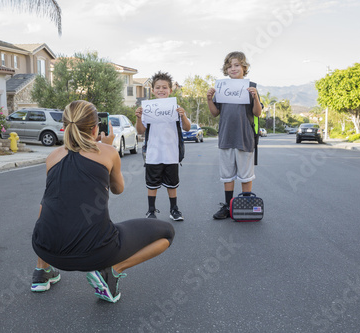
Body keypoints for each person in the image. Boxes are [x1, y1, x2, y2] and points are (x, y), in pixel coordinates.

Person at [30, 100, 175, 303]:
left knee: (49, 203)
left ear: (65, 126)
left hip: (45, 247)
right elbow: (118, 189)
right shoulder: (107, 152)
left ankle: (41, 272)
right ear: (95, 128)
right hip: (95, 253)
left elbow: (48, 204)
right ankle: (112, 272)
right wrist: (106, 148)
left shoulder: (53, 157)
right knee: (167, 233)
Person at [207, 51, 263, 219]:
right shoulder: (222, 88)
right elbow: (215, 113)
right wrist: (209, 99)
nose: (233, 68)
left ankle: (245, 205)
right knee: (227, 175)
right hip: (225, 137)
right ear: (226, 69)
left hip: (245, 137)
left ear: (244, 68)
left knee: (245, 175)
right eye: (229, 66)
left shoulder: (250, 87)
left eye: (237, 65)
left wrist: (255, 97)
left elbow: (257, 113)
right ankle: (228, 206)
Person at [135, 71, 191, 221]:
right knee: (152, 185)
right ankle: (151, 211)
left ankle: (174, 210)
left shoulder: (176, 107)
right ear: (152, 90)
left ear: (170, 90)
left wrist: (183, 115)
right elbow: (140, 131)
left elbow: (187, 128)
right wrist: (139, 118)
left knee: (172, 185)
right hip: (153, 154)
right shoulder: (148, 108)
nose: (161, 90)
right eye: (158, 87)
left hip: (171, 154)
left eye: (164, 87)